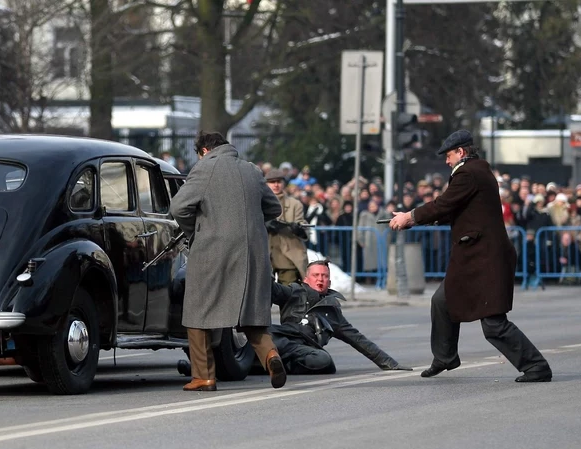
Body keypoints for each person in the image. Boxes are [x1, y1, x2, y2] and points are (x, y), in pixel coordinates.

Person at [389, 130, 552, 382]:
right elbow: (455, 211)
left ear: (461, 152)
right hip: (474, 257)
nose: (446, 161)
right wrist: (414, 222)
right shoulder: (477, 171)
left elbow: (443, 204)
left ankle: (536, 366)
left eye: (449, 155)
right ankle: (445, 357)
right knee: (442, 301)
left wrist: (409, 216)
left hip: (486, 259)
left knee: (493, 324)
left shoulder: (468, 173)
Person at [169, 130, 287, 391]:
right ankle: (270, 356)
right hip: (253, 252)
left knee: (197, 311)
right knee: (252, 315)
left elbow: (178, 208)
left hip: (212, 250)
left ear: (204, 151)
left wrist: (195, 231)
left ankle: (204, 376)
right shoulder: (252, 170)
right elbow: (274, 208)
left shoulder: (204, 168)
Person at [266, 260, 412, 374]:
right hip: (282, 337)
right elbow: (270, 288)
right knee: (265, 336)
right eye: (316, 275)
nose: (320, 279)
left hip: (305, 349)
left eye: (324, 276)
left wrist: (389, 363)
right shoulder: (293, 292)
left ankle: (274, 366)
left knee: (324, 361)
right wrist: (265, 267)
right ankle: (270, 361)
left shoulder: (332, 310)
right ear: (306, 279)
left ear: (329, 281)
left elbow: (358, 339)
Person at [265, 168, 309, 285]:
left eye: (279, 181)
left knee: (290, 294)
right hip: (265, 255)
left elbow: (303, 226)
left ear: (284, 183)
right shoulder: (259, 203)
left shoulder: (295, 204)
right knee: (262, 296)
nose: (276, 185)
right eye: (272, 182)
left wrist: (297, 228)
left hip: (288, 255)